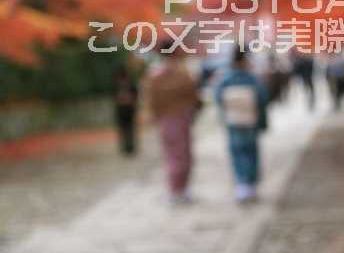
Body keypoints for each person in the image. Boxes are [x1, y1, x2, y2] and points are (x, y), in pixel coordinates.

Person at [140, 42, 201, 205]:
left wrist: (153, 114)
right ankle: (181, 189)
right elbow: (193, 96)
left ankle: (175, 189)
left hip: (165, 119)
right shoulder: (184, 73)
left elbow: (150, 99)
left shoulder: (154, 75)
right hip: (182, 117)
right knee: (184, 154)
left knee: (172, 155)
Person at [216, 46, 268, 203]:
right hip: (250, 119)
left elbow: (218, 97)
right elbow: (262, 97)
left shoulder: (226, 78)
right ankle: (250, 184)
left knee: (237, 151)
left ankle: (242, 184)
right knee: (251, 151)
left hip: (233, 120)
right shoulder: (251, 78)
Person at [113, 65, 139, 156]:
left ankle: (129, 147)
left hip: (128, 110)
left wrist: (129, 100)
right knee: (125, 129)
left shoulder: (129, 84)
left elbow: (135, 96)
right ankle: (126, 147)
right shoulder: (117, 85)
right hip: (122, 110)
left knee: (128, 129)